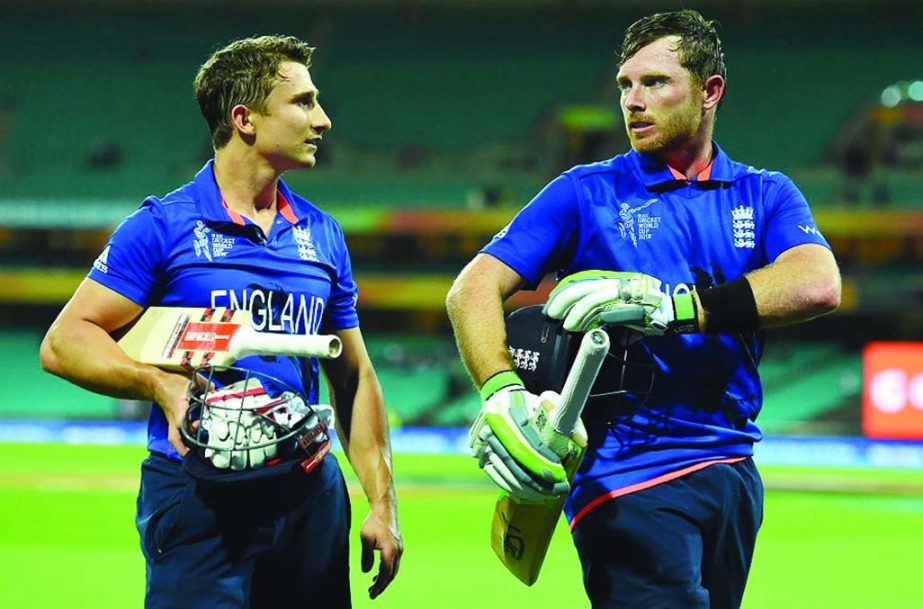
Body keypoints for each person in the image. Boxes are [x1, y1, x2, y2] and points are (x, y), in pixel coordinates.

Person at [446, 10, 840, 609]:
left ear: (710, 92)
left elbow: (817, 284)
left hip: (732, 464)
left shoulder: (765, 193)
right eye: (625, 85)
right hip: (624, 470)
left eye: (655, 83)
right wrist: (501, 390)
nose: (633, 101)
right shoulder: (585, 191)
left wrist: (673, 307)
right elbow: (470, 289)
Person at [40, 35, 402, 608]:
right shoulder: (163, 226)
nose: (324, 119)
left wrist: (382, 503)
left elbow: (355, 378)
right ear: (245, 119)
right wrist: (157, 383)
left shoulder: (324, 235)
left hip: (309, 491)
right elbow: (64, 342)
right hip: (199, 493)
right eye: (304, 102)